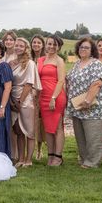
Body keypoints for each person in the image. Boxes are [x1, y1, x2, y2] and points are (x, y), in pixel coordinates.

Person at [65, 38, 102, 169]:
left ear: (92, 50)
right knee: (80, 136)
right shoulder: (77, 63)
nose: (83, 49)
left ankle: (92, 162)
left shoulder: (96, 63)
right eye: (81, 47)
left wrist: (88, 100)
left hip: (93, 106)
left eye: (86, 47)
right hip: (77, 106)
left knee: (93, 136)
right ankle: (84, 159)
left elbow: (98, 82)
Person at [9, 38, 41, 167]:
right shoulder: (11, 63)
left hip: (26, 99)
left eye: (21, 46)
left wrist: (20, 101)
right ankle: (21, 158)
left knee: (29, 130)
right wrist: (12, 100)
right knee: (18, 131)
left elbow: (29, 83)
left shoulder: (30, 63)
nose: (18, 48)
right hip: (13, 97)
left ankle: (29, 160)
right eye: (16, 45)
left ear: (26, 48)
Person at [38, 35, 66, 166]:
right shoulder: (41, 60)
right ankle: (50, 155)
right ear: (46, 45)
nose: (51, 47)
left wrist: (53, 98)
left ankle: (58, 156)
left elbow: (61, 81)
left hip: (55, 96)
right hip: (42, 97)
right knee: (48, 128)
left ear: (58, 47)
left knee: (57, 127)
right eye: (49, 44)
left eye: (55, 45)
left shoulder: (59, 61)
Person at [30, 34, 45, 160]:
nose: (36, 44)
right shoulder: (28, 58)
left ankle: (39, 149)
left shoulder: (45, 59)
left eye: (38, 43)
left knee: (40, 123)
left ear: (42, 44)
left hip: (42, 93)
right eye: (34, 42)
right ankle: (29, 148)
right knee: (30, 122)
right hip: (30, 93)